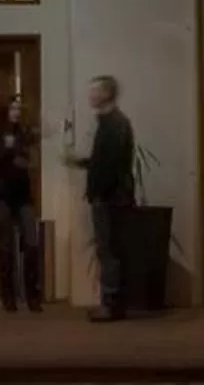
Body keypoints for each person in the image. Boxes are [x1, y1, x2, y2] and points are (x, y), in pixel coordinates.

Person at [66, 73, 136, 321]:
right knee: (109, 250)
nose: (90, 96)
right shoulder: (110, 122)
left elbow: (111, 166)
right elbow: (104, 161)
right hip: (110, 196)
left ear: (107, 93)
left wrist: (98, 193)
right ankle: (112, 303)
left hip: (111, 199)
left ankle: (112, 305)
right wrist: (83, 162)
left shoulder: (115, 124)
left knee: (109, 251)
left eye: (95, 91)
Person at [0, 94, 41, 311]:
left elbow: (31, 159)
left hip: (23, 195)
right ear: (5, 111)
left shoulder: (23, 133)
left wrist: (23, 153)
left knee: (32, 242)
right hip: (1, 195)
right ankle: (9, 298)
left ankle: (33, 296)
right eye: (13, 109)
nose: (16, 112)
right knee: (6, 246)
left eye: (18, 109)